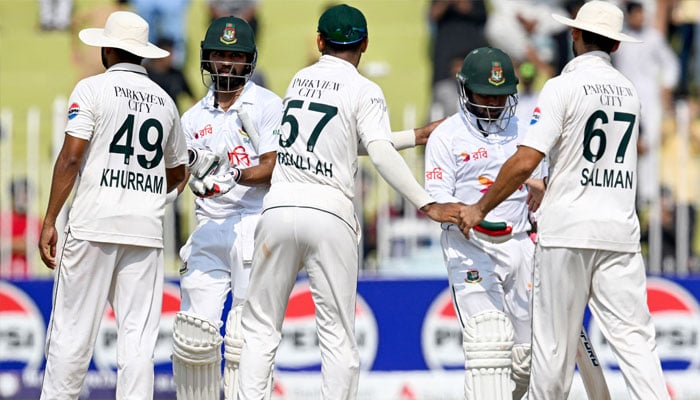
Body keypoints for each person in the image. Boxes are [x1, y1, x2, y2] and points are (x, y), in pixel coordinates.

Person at [237, 4, 462, 399]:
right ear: (366, 44)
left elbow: (340, 141)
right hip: (329, 212)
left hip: (278, 207)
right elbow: (377, 152)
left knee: (260, 327)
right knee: (338, 335)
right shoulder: (364, 89)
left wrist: (416, 135)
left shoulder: (300, 79)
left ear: (320, 41)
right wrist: (427, 204)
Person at [456, 2, 670, 399]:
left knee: (552, 355)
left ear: (575, 36)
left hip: (567, 233)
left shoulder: (562, 87)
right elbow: (592, 159)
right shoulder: (628, 92)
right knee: (638, 345)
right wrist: (550, 182)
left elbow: (524, 161)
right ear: (616, 47)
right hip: (619, 233)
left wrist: (480, 207)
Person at [37, 11, 188, 400]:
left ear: (107, 48)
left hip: (92, 224)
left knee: (72, 333)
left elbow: (71, 158)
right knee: (137, 342)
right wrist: (151, 195)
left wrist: (51, 218)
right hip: (144, 230)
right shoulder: (164, 101)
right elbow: (178, 171)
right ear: (141, 54)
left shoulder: (91, 90)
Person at [170, 16, 283, 400]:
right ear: (205, 59)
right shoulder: (192, 117)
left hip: (253, 224)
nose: (225, 64)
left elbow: (273, 167)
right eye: (218, 54)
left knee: (244, 337)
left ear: (249, 60)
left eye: (234, 56)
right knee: (194, 336)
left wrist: (234, 174)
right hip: (207, 226)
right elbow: (181, 175)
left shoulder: (267, 105)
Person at [424, 46, 545, 400]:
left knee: (528, 357)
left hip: (522, 242)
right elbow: (437, 202)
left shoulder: (524, 128)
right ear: (464, 90)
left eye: (499, 96)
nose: (492, 105)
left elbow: (544, 184)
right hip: (471, 246)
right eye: (483, 95)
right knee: (489, 341)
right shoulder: (447, 135)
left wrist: (540, 187)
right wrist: (466, 212)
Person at [612, 0, 680, 271]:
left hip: (650, 101)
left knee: (649, 152)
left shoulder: (653, 38)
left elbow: (672, 65)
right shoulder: (622, 40)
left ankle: (650, 200)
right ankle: (636, 200)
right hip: (627, 100)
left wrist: (667, 87)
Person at [0, 178, 42, 279]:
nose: (25, 198)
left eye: (27, 194)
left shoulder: (35, 221)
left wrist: (7, 243)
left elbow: (30, 246)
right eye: (21, 194)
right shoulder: (3, 218)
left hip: (27, 275)